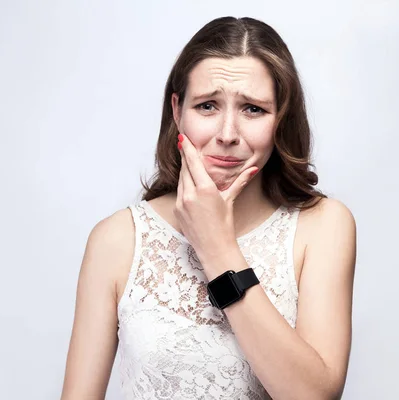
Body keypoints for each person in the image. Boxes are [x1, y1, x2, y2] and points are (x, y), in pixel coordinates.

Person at [61, 16, 356, 400]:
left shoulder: (323, 226)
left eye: (252, 109)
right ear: (178, 109)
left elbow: (314, 396)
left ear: (281, 119)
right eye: (207, 106)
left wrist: (217, 247)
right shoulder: (116, 240)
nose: (227, 134)